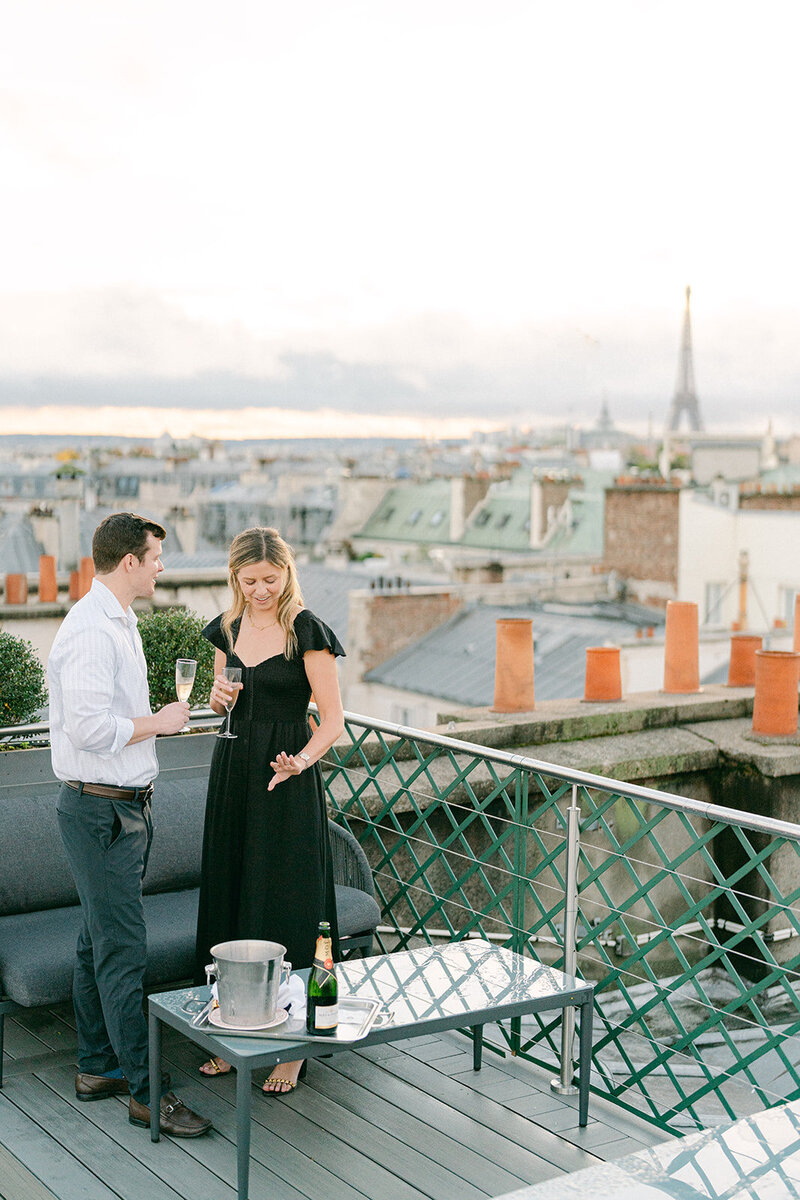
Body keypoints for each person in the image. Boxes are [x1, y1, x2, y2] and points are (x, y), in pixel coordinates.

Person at [48, 512, 211, 1137]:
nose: (163, 567)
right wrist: (160, 723)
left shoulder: (118, 621)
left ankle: (98, 1067)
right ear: (130, 564)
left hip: (119, 809)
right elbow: (90, 729)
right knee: (123, 952)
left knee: (98, 940)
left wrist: (155, 720)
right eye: (156, 557)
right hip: (103, 813)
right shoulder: (92, 630)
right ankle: (146, 1094)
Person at [194, 526, 344, 1093]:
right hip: (232, 769)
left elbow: (333, 720)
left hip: (286, 778)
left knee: (289, 898)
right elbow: (219, 701)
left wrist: (299, 762)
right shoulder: (226, 629)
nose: (260, 590)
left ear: (287, 572)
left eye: (270, 579)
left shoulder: (307, 630)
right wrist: (215, 699)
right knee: (234, 893)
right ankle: (238, 1029)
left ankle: (295, 1045)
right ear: (235, 577)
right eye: (249, 580)